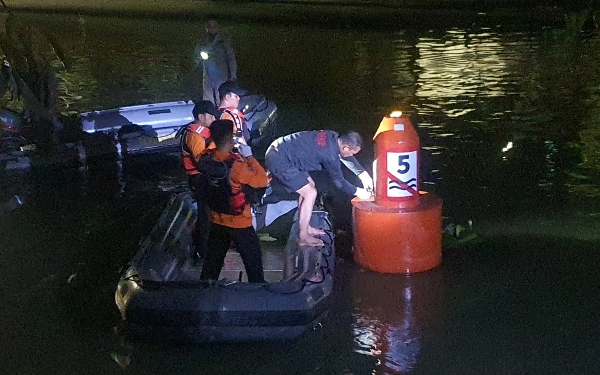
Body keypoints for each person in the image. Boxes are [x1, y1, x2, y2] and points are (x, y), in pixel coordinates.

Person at [265, 130, 373, 247]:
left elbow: (344, 155)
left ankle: (306, 227)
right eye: (352, 153)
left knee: (309, 185)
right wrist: (358, 191)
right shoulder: (329, 154)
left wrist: (363, 175)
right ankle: (303, 236)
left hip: (281, 150)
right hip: (279, 159)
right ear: (346, 147)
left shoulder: (333, 136)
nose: (352, 156)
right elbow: (339, 182)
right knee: (310, 193)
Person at [199, 119, 268, 283]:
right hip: (239, 223)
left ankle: (204, 291)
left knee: (212, 263)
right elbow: (262, 180)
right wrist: (249, 156)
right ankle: (258, 293)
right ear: (230, 139)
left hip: (216, 218)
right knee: (253, 263)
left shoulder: (206, 159)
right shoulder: (237, 166)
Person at [179, 100, 221, 260]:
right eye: (211, 117)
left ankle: (210, 246)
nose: (214, 120)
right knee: (206, 214)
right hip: (200, 179)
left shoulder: (203, 132)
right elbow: (201, 162)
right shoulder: (195, 135)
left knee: (211, 212)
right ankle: (204, 251)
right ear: (201, 116)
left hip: (207, 178)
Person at [194, 17, 237, 106]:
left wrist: (233, 75)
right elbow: (196, 59)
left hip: (221, 75)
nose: (212, 28)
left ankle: (222, 115)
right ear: (206, 28)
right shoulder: (201, 42)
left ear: (218, 27)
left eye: (214, 26)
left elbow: (231, 59)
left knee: (221, 97)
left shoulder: (224, 42)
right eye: (209, 26)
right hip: (207, 75)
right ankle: (210, 115)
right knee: (208, 98)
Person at [217, 81, 251, 145]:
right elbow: (239, 140)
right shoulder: (230, 116)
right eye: (236, 96)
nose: (239, 98)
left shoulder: (215, 114)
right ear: (227, 97)